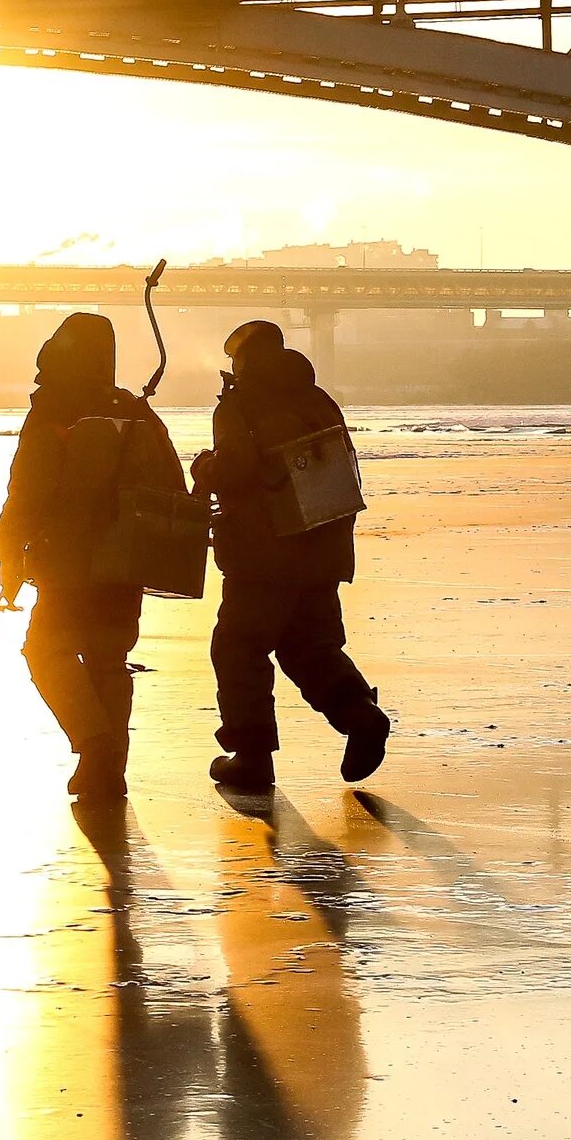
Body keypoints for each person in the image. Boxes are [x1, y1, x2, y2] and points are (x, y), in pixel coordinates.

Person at [193, 320, 389, 793]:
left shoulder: (241, 404)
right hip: (322, 550)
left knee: (238, 649)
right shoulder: (318, 400)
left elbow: (237, 468)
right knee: (311, 648)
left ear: (242, 360)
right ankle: (361, 716)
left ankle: (252, 756)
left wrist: (206, 468)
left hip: (263, 556)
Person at [0, 312, 170, 801]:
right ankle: (107, 768)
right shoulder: (136, 412)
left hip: (66, 564)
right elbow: (168, 487)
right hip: (126, 563)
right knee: (110, 660)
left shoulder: (53, 410)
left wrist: (8, 558)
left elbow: (25, 493)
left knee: (45, 651)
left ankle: (94, 747)